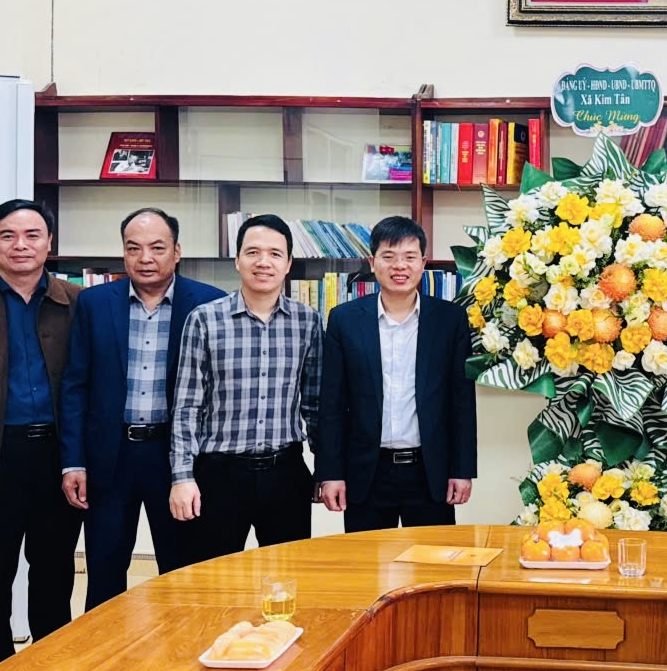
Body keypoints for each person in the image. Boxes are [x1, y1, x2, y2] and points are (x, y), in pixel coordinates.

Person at [59, 208, 223, 609]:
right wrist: (73, 461)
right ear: (123, 252)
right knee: (105, 570)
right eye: (134, 248)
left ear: (177, 251)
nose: (145, 258)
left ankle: (180, 646)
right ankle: (105, 648)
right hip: (110, 457)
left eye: (157, 248)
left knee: (183, 570)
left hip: (178, 457)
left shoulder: (209, 303)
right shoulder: (94, 303)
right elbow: (75, 385)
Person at [0, 199, 82, 671]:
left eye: (32, 235)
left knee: (54, 573)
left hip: (58, 457)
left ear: (49, 242)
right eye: (8, 235)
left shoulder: (77, 303)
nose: (21, 245)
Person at [168, 214, 322, 563]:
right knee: (212, 580)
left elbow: (314, 405)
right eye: (253, 252)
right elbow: (187, 406)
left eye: (275, 254)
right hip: (219, 475)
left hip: (285, 473)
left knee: (287, 579)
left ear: (288, 264)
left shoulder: (308, 321)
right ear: (237, 260)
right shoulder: (204, 320)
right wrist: (182, 477)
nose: (263, 262)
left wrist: (326, 469)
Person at [316, 216, 476, 530]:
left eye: (409, 257)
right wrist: (331, 473)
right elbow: (332, 404)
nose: (399, 266)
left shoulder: (449, 320)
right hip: (367, 472)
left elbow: (461, 401)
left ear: (423, 263)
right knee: (367, 559)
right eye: (388, 256)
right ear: (372, 262)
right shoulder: (344, 320)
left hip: (430, 471)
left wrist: (462, 469)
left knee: (433, 558)